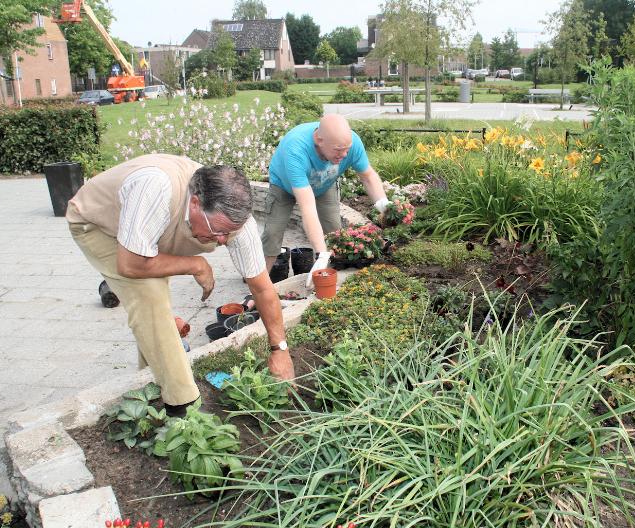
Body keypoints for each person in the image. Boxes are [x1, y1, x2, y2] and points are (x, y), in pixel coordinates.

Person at [66, 154, 294, 416]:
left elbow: (262, 288)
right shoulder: (155, 188)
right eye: (217, 231)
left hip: (149, 230)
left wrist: (280, 350)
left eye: (229, 233)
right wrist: (194, 264)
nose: (222, 241)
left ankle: (149, 384)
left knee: (155, 304)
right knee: (150, 295)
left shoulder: (236, 225)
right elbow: (130, 264)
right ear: (195, 203)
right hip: (99, 225)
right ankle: (183, 406)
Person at [262, 114, 391, 287]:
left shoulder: (350, 143)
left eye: (347, 149)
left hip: (323, 183)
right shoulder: (296, 148)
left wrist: (384, 204)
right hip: (283, 185)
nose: (345, 155)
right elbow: (307, 208)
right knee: (273, 233)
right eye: (338, 150)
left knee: (334, 231)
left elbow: (367, 176)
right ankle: (259, 283)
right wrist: (320, 254)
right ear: (319, 139)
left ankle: (331, 280)